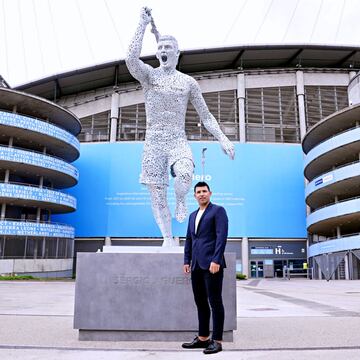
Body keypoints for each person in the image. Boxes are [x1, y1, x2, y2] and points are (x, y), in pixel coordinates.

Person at [125, 8, 235, 247]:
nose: (164, 51)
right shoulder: (149, 77)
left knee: (185, 173)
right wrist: (142, 25)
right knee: (157, 194)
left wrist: (223, 139)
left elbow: (206, 116)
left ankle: (181, 198)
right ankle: (167, 238)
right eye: (161, 48)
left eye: (168, 48)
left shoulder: (188, 83)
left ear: (176, 53)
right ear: (157, 52)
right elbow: (131, 60)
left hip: (177, 140)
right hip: (153, 142)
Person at [182, 181, 228, 354]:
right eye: (198, 192)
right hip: (195, 265)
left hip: (212, 265)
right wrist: (187, 261)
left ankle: (217, 340)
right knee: (200, 302)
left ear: (210, 193)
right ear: (194, 195)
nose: (201, 194)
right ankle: (202, 338)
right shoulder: (193, 215)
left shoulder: (218, 211)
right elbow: (189, 240)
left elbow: (221, 236)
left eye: (204, 191)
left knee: (215, 302)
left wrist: (216, 260)